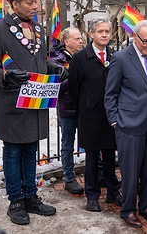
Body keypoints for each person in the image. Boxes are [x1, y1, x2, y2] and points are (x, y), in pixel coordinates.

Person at [0, 0, 67, 225]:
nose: (35, 7)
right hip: (12, 103)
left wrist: (53, 67)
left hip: (36, 100)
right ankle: (16, 201)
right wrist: (6, 76)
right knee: (12, 152)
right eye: (30, 3)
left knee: (31, 151)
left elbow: (40, 59)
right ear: (14, 4)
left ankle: (31, 196)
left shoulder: (39, 29)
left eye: (35, 3)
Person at [104, 20, 147, 228]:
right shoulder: (121, 59)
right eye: (146, 41)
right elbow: (110, 94)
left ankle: (146, 206)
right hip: (128, 124)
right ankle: (128, 209)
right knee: (130, 170)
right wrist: (115, 121)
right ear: (134, 36)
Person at [69, 17, 122, 212]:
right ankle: (92, 195)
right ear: (91, 34)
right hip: (90, 116)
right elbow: (73, 88)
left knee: (109, 156)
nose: (105, 35)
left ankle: (113, 192)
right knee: (91, 158)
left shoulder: (115, 56)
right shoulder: (80, 58)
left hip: (110, 116)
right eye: (100, 31)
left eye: (107, 31)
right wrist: (85, 106)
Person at [49, 28, 84, 195]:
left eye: (81, 38)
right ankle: (69, 178)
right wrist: (73, 77)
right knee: (67, 145)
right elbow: (55, 87)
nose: (81, 41)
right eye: (77, 38)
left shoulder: (84, 56)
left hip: (85, 107)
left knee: (91, 142)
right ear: (66, 42)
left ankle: (97, 174)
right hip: (67, 108)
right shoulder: (56, 61)